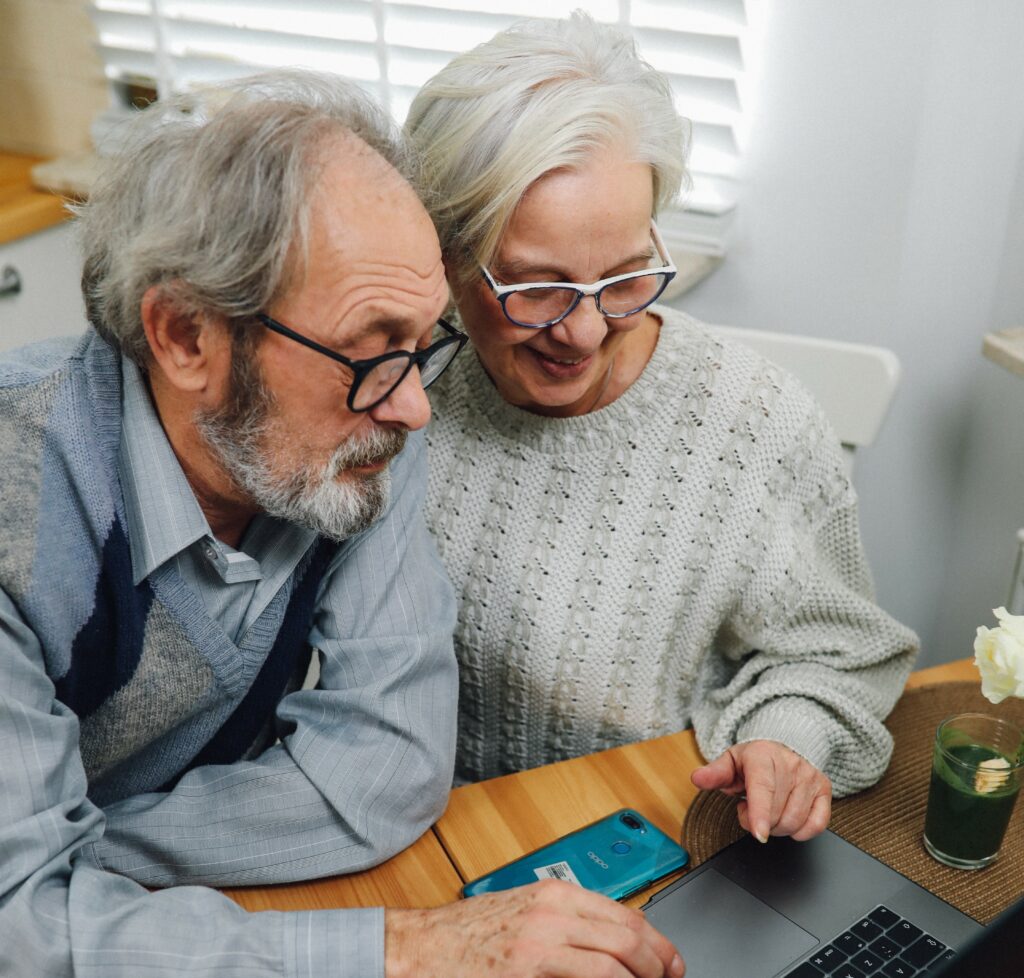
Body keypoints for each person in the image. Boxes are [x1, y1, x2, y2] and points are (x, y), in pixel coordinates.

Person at [0, 71, 683, 978]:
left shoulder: (356, 435)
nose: (414, 408)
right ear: (185, 337)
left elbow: (388, 771)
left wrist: (82, 854)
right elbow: (26, 934)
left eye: (421, 343)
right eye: (367, 351)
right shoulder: (20, 502)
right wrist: (393, 950)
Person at [405, 13, 920, 844]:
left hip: (644, 832)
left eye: (624, 275)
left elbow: (839, 653)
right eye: (537, 289)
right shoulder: (399, 385)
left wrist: (783, 743)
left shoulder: (753, 423)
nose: (585, 332)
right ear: (448, 261)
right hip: (417, 831)